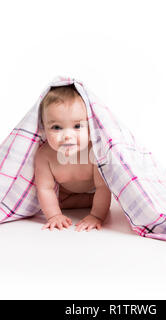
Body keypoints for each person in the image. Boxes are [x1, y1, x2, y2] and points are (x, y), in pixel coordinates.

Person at [34, 84, 111, 232]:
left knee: (103, 192)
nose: (68, 136)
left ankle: (92, 203)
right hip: (66, 195)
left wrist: (96, 215)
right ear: (43, 128)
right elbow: (45, 188)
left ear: (90, 126)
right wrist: (54, 215)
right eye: (56, 127)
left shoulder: (94, 151)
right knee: (55, 201)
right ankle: (84, 202)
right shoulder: (44, 156)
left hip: (95, 190)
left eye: (77, 126)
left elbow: (103, 187)